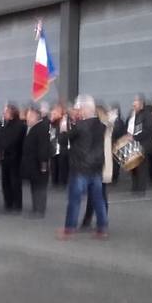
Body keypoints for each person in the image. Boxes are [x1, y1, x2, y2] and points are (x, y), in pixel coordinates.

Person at [59, 95, 108, 239]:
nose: (78, 111)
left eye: (79, 108)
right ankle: (102, 228)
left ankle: (69, 228)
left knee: (74, 200)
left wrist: (63, 127)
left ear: (85, 109)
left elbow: (63, 140)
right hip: (96, 167)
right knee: (98, 200)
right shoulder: (101, 125)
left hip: (80, 168)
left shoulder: (79, 126)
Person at [82, 104, 114, 229]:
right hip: (97, 163)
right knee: (95, 193)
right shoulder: (103, 127)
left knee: (100, 193)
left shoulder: (104, 127)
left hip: (100, 163)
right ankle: (89, 220)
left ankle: (99, 221)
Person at [21, 105, 51, 218]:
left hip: (39, 164)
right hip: (32, 164)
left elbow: (43, 148)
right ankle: (36, 208)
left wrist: (43, 164)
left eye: (29, 116)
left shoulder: (41, 128)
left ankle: (40, 210)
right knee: (35, 187)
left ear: (35, 117)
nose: (27, 118)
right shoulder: (33, 128)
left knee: (40, 188)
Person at [0, 103, 25, 213]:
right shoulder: (6, 125)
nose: (4, 114)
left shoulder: (20, 126)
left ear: (12, 113)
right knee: (5, 182)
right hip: (6, 158)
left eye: (6, 112)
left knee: (15, 182)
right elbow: (1, 138)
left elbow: (13, 141)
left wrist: (4, 145)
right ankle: (8, 203)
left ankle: (17, 204)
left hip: (15, 158)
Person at [126, 94, 152, 193]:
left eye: (135, 105)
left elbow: (147, 130)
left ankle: (141, 188)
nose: (134, 106)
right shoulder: (133, 115)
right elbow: (129, 126)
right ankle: (135, 186)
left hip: (143, 145)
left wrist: (134, 137)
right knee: (133, 166)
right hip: (133, 144)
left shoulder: (147, 115)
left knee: (141, 167)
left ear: (141, 104)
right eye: (133, 105)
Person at [49, 104, 70, 188]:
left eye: (56, 112)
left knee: (62, 165)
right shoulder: (52, 123)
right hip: (54, 147)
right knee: (54, 165)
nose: (53, 114)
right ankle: (55, 181)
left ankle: (62, 181)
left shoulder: (63, 122)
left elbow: (65, 134)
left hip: (62, 147)